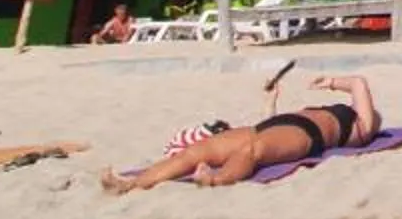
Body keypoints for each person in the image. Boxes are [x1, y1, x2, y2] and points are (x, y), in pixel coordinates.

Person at [99, 72, 380, 194]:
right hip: (278, 125)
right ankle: (133, 184)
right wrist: (270, 102)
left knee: (252, 151)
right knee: (197, 150)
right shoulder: (352, 118)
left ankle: (216, 180)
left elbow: (359, 83)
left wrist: (331, 82)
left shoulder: (363, 128)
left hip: (306, 134)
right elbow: (275, 135)